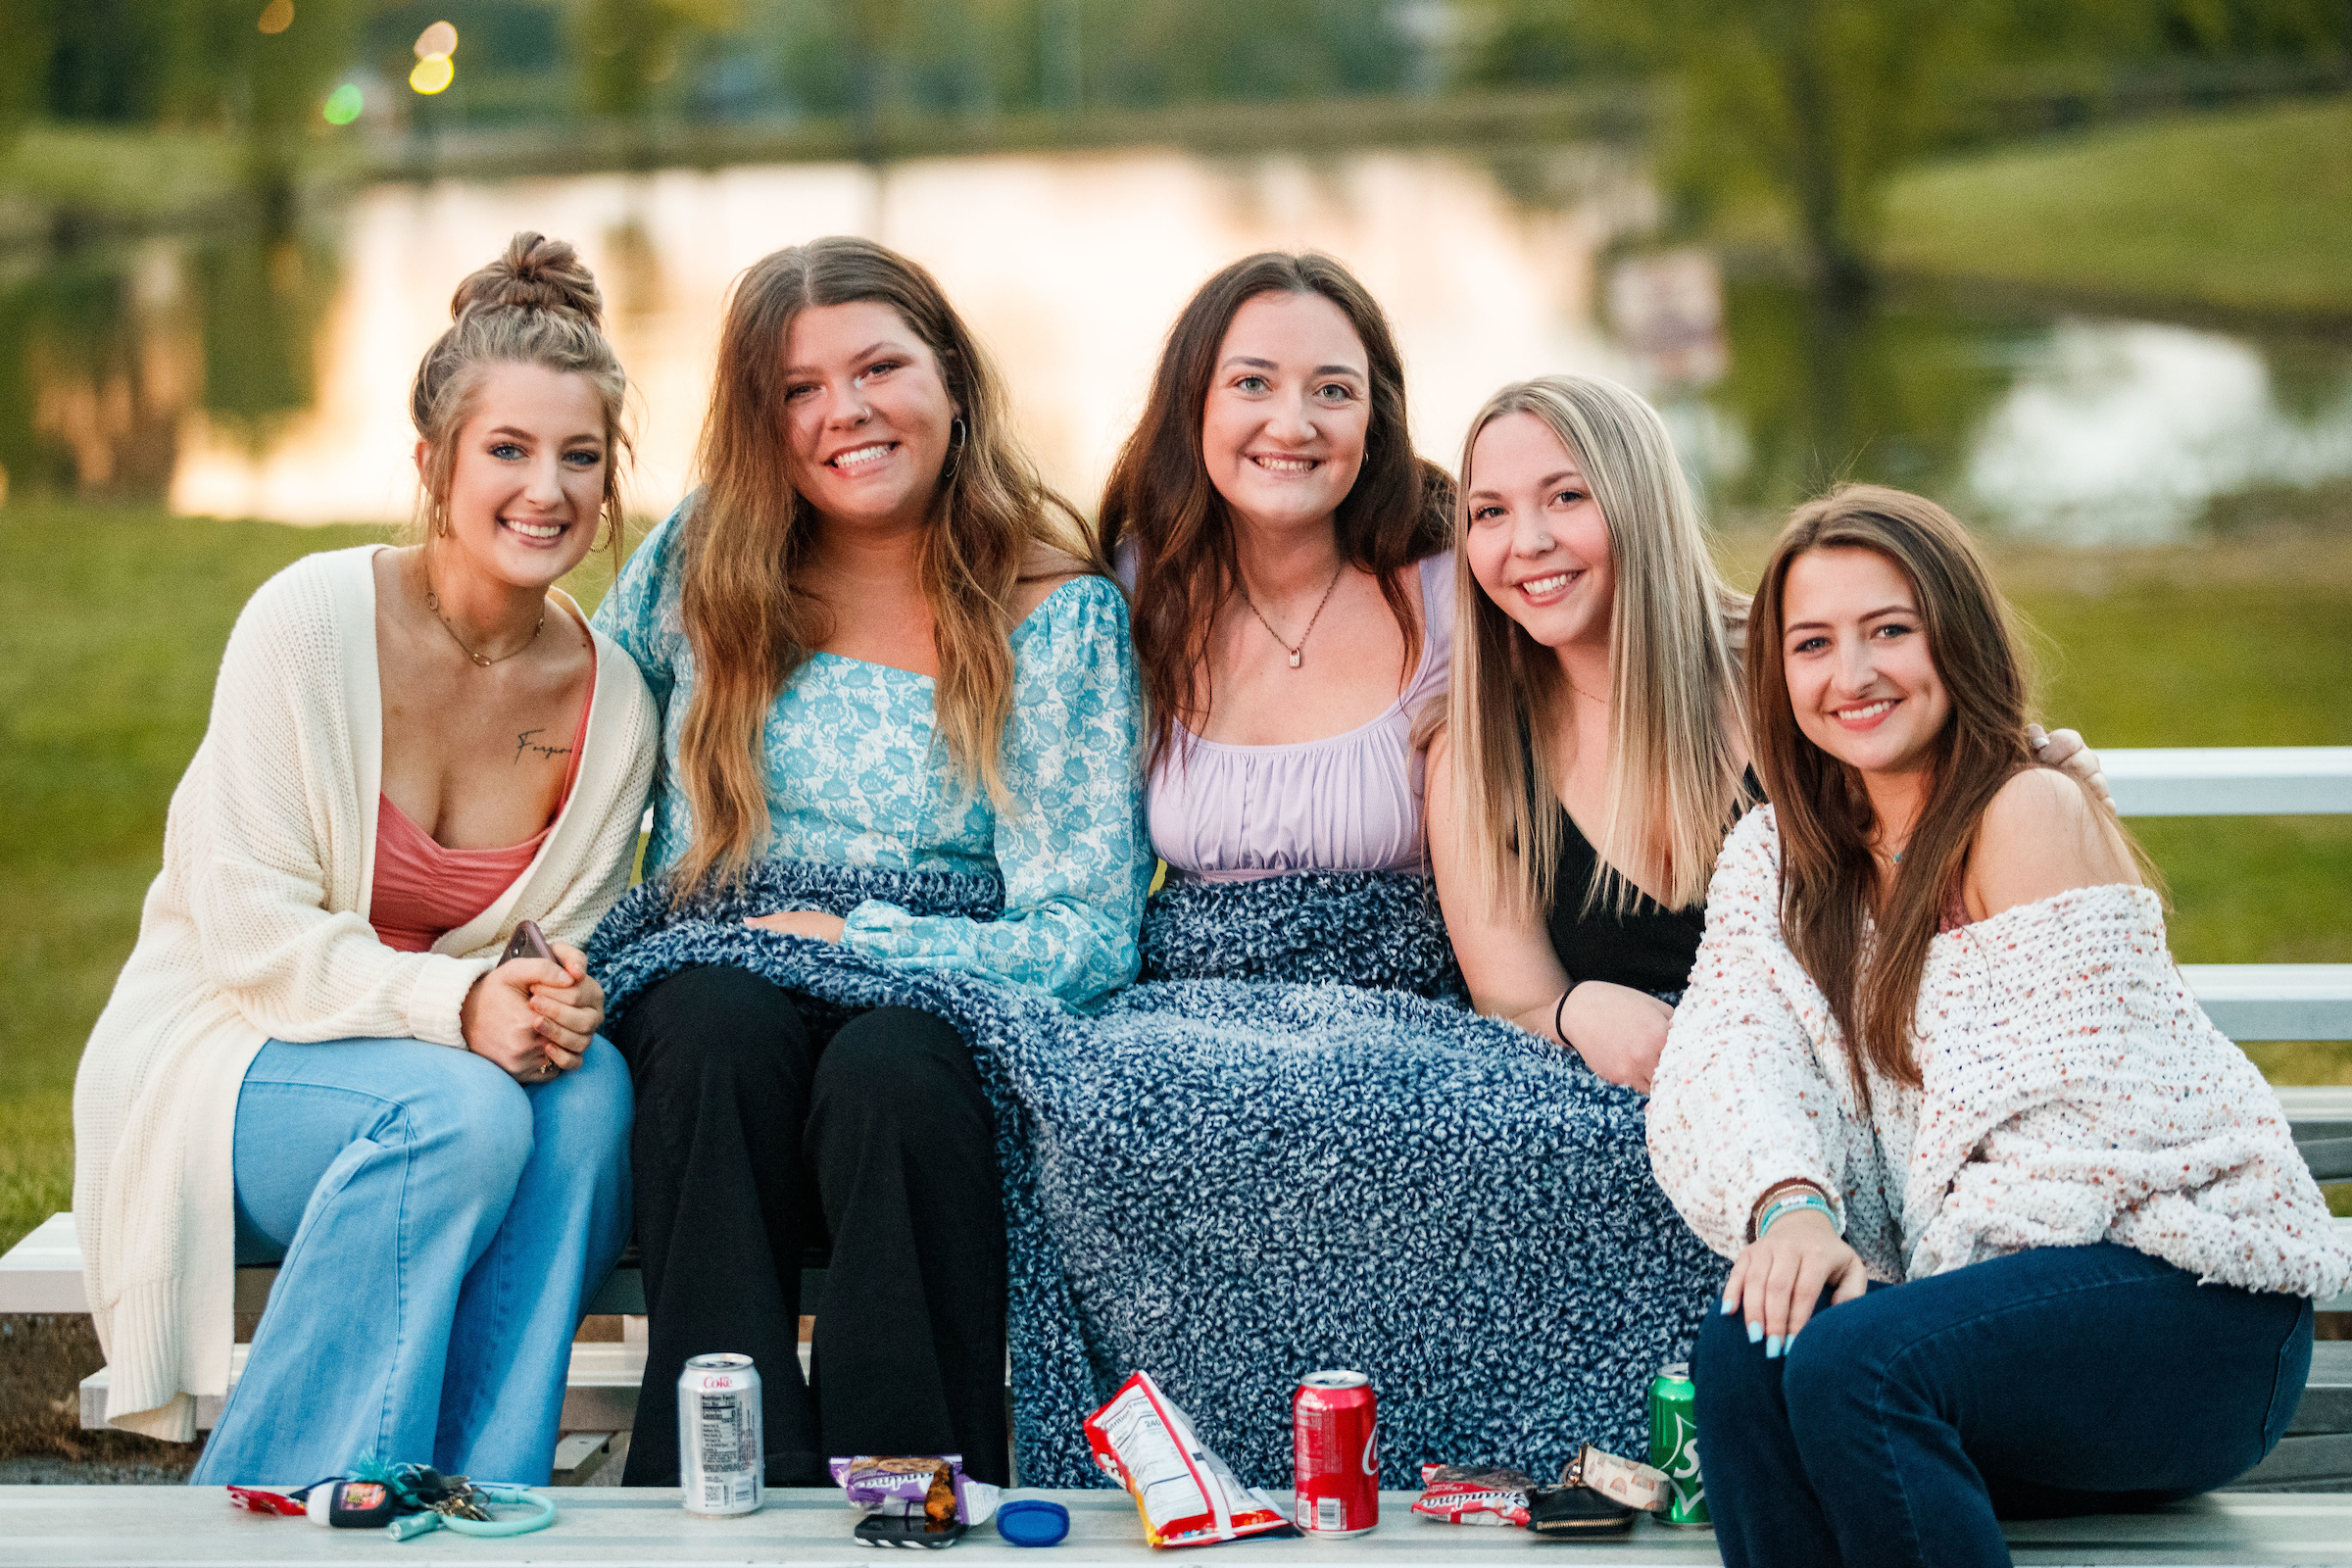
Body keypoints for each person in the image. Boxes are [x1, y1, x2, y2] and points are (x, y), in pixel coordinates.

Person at [990, 256, 1722, 1493]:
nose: (1295, 420)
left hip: (1411, 988)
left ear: (1376, 414)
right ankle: (1195, 1472)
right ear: (1194, 407)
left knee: (1519, 1133)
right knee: (1111, 1112)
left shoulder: (1458, 584)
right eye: (1255, 384)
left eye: (1333, 388)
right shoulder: (1122, 597)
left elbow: (1657, 618)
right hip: (1193, 994)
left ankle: (1523, 1461)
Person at [1646, 484, 2349, 1568]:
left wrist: (1903, 1312)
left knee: (1854, 1365)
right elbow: (1728, 1052)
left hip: (2190, 1305)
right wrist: (1790, 1206)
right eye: (1814, 642)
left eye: (1891, 629)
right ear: (1777, 676)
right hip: (1984, 1327)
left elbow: (2070, 1153)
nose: (1853, 674)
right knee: (1749, 1346)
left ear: (1956, 636)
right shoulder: (1778, 856)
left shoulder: (2021, 814)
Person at [73, 233, 658, 1485]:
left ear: (611, 485)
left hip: (453, 1090)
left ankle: (475, 1489)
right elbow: (248, 928)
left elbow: (565, 941)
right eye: (507, 449)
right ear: (433, 462)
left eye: (578, 456)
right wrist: (458, 1005)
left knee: (591, 1094)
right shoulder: (308, 619)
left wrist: (558, 1000)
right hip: (230, 1055)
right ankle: (281, 1494)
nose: (544, 489)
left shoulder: (616, 706)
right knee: (458, 1109)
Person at [586, 236, 1148, 1490]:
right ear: (759, 420)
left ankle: (912, 1489)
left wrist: (869, 944)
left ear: (948, 377)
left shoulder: (1051, 611)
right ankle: (722, 1482)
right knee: (716, 1026)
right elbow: (573, 765)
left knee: (895, 1068)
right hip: (714, 969)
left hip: (930, 990)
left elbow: (1090, 928)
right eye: (797, 388)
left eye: (878, 366)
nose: (843, 411)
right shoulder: (699, 568)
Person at [1428, 375, 2102, 1094]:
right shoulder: (1476, 749)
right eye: (1490, 511)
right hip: (1633, 1104)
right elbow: (1513, 996)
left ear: (1641, 502)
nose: (1528, 542)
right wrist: (1569, 1011)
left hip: (1867, 1084)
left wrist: (2046, 793)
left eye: (1567, 497)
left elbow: (1946, 851)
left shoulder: (1798, 668)